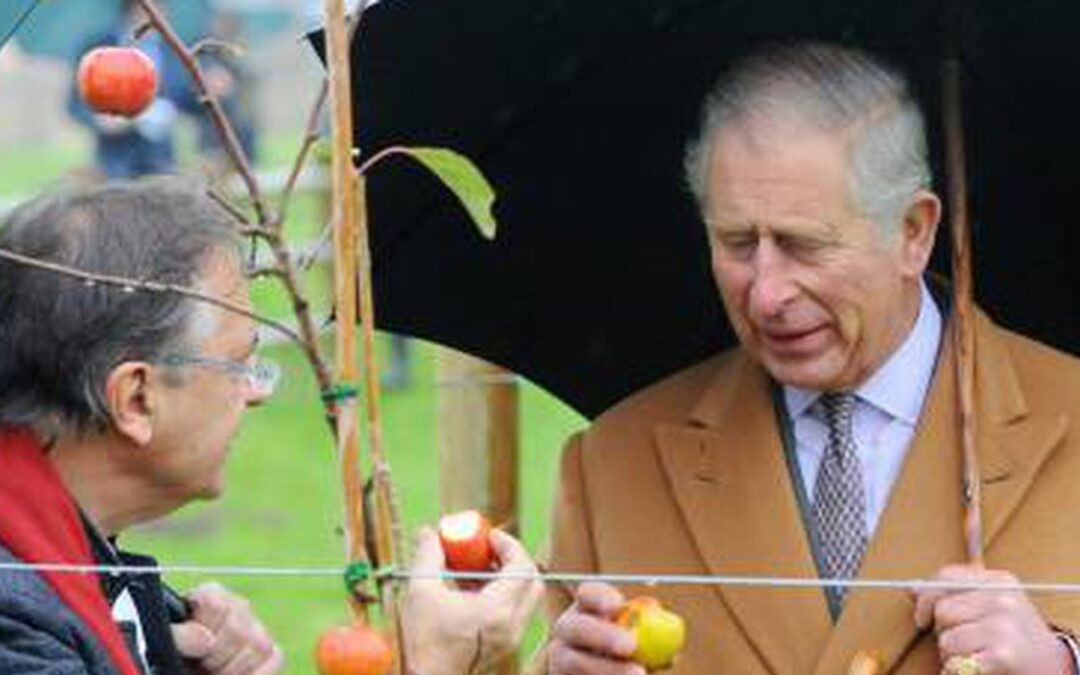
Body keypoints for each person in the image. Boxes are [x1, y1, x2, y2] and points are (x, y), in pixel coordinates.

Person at [539, 43, 1080, 675]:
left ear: (913, 232)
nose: (766, 294)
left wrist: (1062, 664)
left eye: (804, 246)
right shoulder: (610, 465)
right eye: (738, 242)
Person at [0, 177, 541, 675]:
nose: (257, 391)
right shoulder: (17, 628)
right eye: (239, 364)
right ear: (137, 399)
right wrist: (431, 664)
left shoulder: (69, 568)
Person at [66, 0, 190, 180]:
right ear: (129, 7)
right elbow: (75, 102)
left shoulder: (176, 50)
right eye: (146, 7)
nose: (154, 14)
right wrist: (98, 120)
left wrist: (212, 90)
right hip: (114, 159)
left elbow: (187, 99)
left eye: (161, 6)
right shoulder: (98, 47)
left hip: (161, 158)